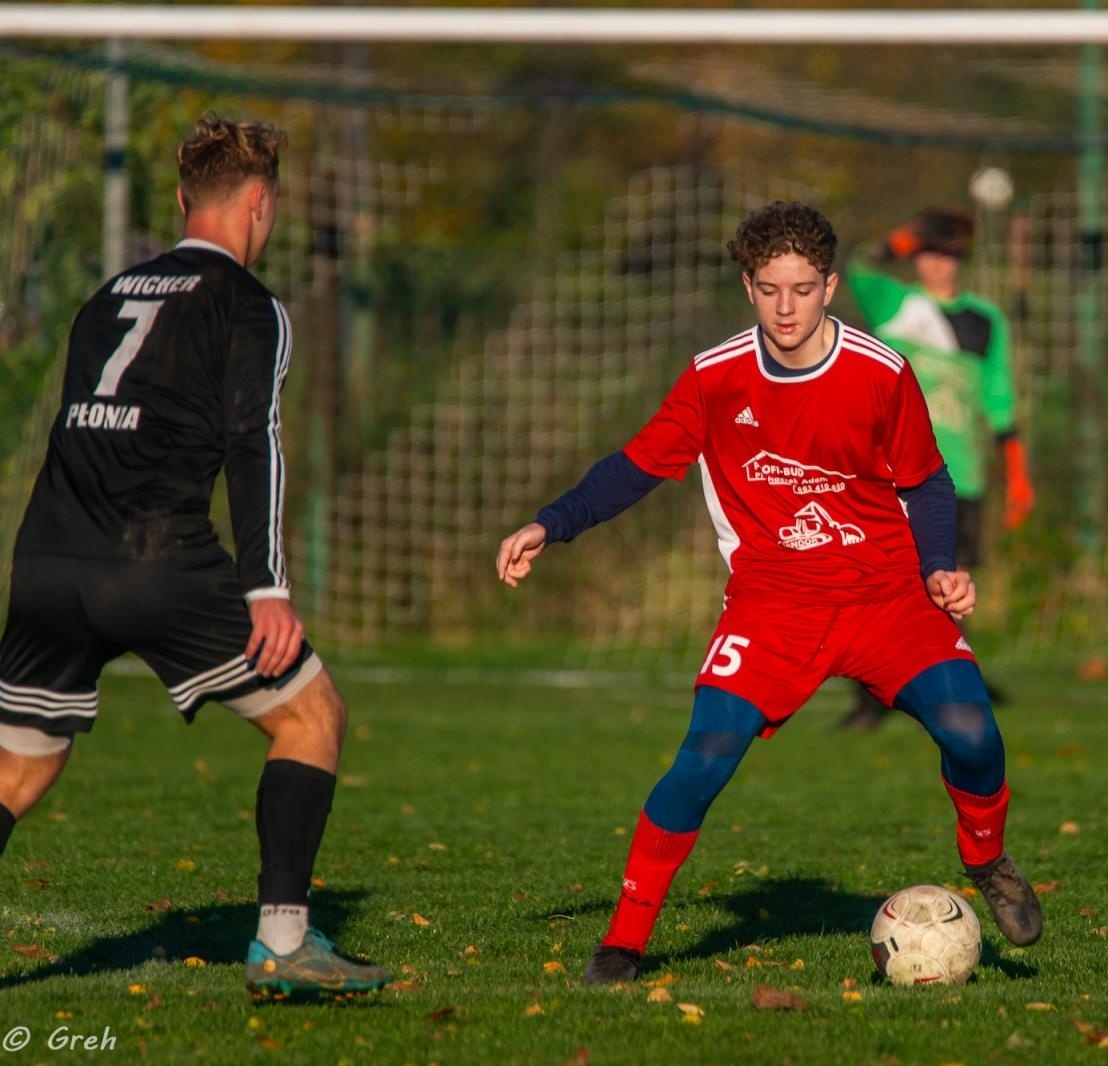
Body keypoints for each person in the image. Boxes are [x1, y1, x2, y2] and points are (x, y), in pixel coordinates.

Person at [497, 201, 1044, 984]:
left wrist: (939, 566)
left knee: (972, 733)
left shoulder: (880, 372)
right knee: (704, 758)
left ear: (828, 286)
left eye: (802, 289)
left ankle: (986, 861)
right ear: (747, 285)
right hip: (774, 607)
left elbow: (926, 481)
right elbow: (635, 466)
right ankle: (623, 942)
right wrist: (550, 524)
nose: (785, 308)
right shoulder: (715, 378)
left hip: (885, 594)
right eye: (767, 289)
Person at [0, 115, 390, 996]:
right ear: (262, 203)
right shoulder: (248, 305)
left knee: (19, 764)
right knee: (311, 715)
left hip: (48, 559)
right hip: (156, 559)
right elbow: (256, 441)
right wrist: (267, 588)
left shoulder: (107, 297)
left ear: (182, 202)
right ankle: (284, 942)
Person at [836, 206, 1035, 730]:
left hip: (960, 475)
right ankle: (869, 700)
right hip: (890, 471)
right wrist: (906, 235)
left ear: (961, 261)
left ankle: (949, 688)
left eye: (947, 254)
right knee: (875, 583)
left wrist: (1017, 473)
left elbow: (1000, 399)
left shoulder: (984, 321)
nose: (937, 263)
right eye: (930, 252)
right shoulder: (896, 304)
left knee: (947, 589)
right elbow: (859, 266)